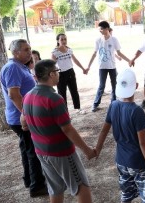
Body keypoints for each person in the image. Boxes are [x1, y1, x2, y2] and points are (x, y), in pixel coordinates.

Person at [21, 59, 96, 203]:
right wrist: (87, 150)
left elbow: (23, 124)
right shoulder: (54, 98)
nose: (58, 74)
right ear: (51, 74)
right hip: (61, 152)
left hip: (41, 151)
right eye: (57, 71)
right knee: (81, 187)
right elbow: (67, 129)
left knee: (55, 188)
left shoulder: (28, 96)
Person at [95, 68, 145, 203]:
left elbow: (104, 131)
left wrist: (97, 150)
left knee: (126, 195)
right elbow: (143, 143)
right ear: (136, 86)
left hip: (121, 161)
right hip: (138, 163)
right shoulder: (136, 111)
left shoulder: (113, 105)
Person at [0, 39, 48, 198]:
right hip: (20, 118)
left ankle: (29, 179)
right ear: (16, 52)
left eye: (30, 49)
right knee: (33, 151)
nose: (29, 52)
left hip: (22, 116)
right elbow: (14, 94)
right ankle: (37, 186)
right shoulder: (13, 68)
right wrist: (25, 116)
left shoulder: (20, 66)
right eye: (26, 50)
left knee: (26, 148)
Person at [86, 21, 130, 112]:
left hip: (112, 67)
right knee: (101, 86)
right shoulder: (98, 40)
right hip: (102, 67)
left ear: (106, 29)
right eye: (99, 29)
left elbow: (119, 53)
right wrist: (88, 66)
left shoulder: (114, 40)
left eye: (101, 29)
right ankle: (95, 104)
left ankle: (113, 104)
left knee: (114, 85)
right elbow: (94, 54)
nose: (100, 31)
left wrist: (129, 60)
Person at [51, 33, 87, 112]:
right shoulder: (55, 52)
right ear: (58, 41)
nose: (64, 41)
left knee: (74, 90)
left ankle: (78, 107)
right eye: (62, 39)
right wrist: (52, 76)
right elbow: (52, 65)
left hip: (70, 72)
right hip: (60, 74)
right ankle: (65, 111)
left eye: (65, 39)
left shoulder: (69, 49)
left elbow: (75, 60)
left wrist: (83, 68)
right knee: (62, 93)